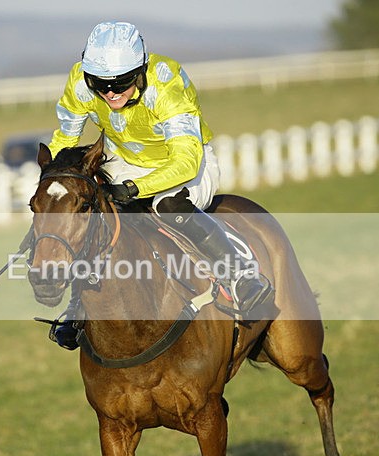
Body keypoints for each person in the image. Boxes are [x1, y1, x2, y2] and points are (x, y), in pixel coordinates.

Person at [46, 21, 274, 349]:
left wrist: (137, 189)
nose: (109, 92)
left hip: (184, 163)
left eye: (120, 83)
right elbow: (65, 140)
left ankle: (241, 276)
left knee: (166, 206)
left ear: (139, 71)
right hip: (123, 159)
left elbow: (184, 160)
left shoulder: (166, 84)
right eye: (100, 83)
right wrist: (52, 184)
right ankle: (77, 305)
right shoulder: (80, 81)